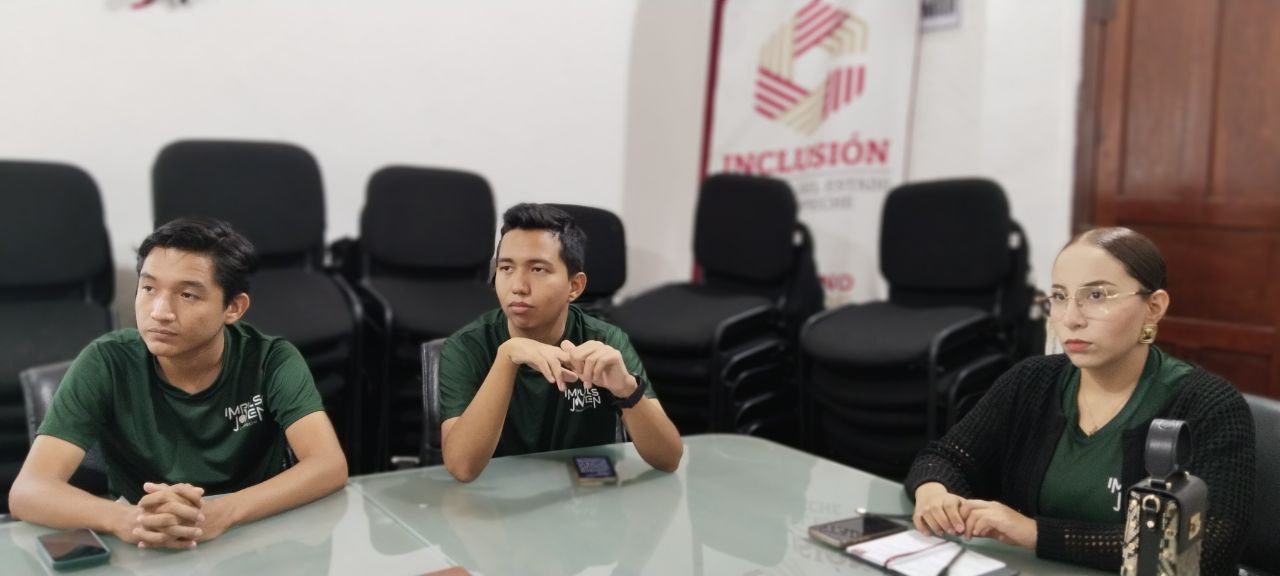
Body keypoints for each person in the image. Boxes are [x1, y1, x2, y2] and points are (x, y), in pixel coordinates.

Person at [905, 227, 1255, 574]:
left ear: (1153, 308)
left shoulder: (1208, 404)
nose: (1070, 319)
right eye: (1059, 296)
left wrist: (1036, 534)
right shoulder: (1031, 380)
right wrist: (934, 492)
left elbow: (1210, 548)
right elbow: (948, 457)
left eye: (1097, 296)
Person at [8, 218, 348, 549]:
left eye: (187, 295)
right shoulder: (106, 362)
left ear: (233, 307)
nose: (160, 312)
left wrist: (223, 513)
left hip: (253, 535)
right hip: (146, 543)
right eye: (148, 288)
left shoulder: (271, 359)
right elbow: (28, 490)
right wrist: (127, 519)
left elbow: (328, 464)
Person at [439, 203, 682, 482]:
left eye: (538, 269)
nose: (518, 286)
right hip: (496, 499)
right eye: (506, 268)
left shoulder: (605, 341)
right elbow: (462, 468)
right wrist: (507, 358)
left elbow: (669, 459)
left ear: (574, 286)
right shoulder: (466, 347)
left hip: (585, 499)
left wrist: (626, 388)